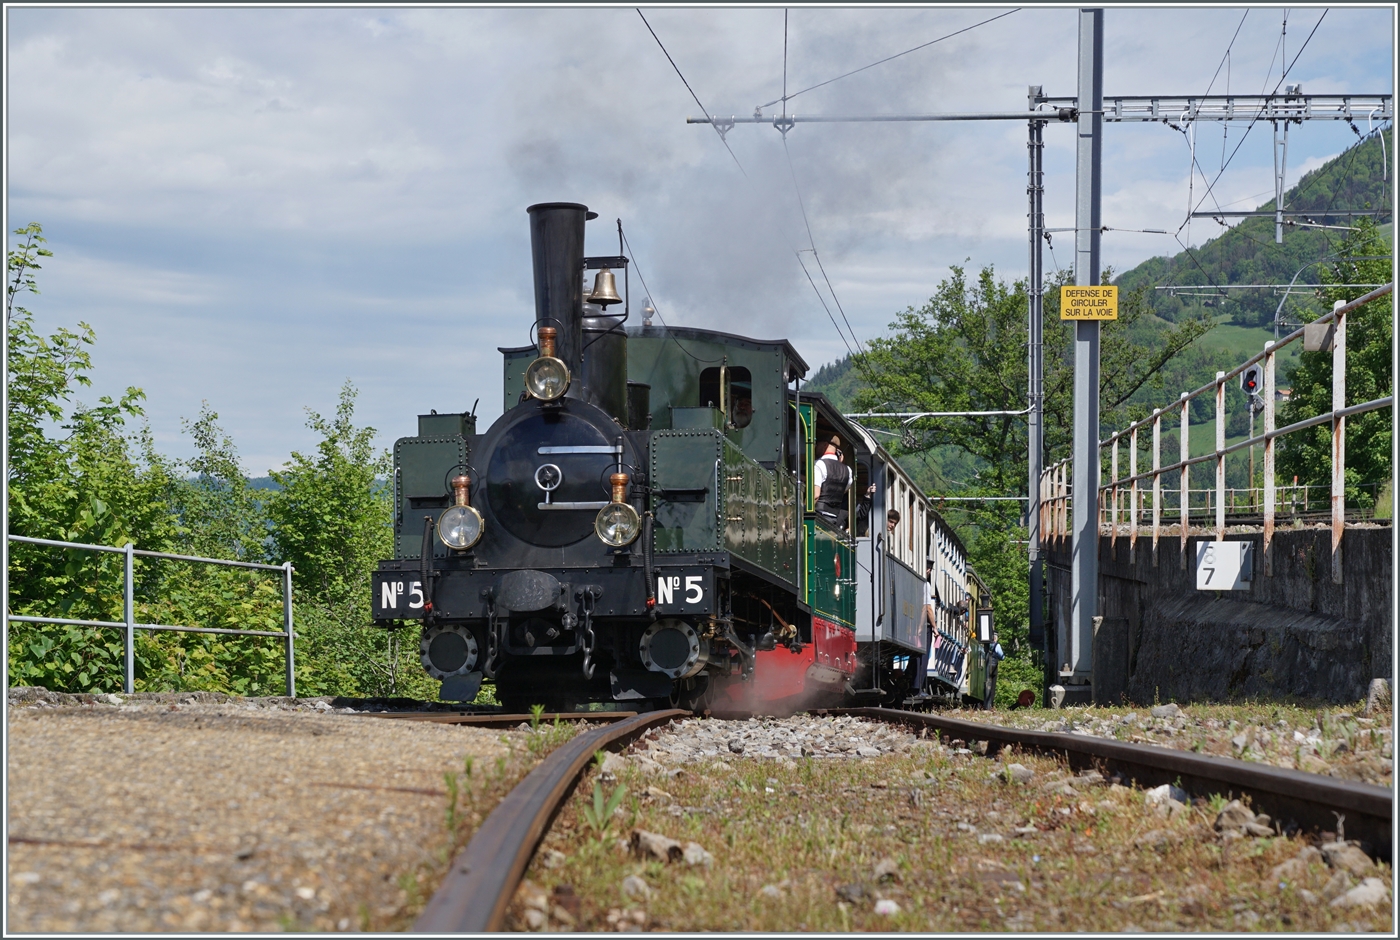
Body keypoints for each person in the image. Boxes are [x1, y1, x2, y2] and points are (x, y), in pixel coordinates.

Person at [812, 436, 852, 529]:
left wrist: (804, 509)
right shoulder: (848, 470)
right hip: (835, 517)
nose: (816, 446)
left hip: (819, 516)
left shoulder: (818, 464)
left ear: (825, 445)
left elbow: (815, 495)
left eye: (817, 444)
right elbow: (844, 490)